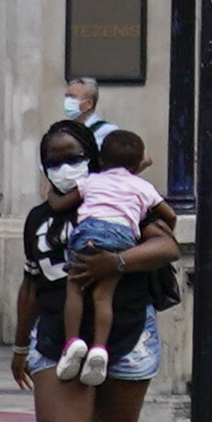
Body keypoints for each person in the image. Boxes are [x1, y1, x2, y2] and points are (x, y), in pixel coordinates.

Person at [9, 122, 156, 422]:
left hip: (124, 333)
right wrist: (18, 343)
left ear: (93, 158)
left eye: (74, 156)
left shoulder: (120, 196)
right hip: (59, 336)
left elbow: (167, 243)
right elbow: (31, 284)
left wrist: (115, 262)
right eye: (54, 160)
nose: (64, 168)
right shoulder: (40, 219)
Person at [50, 125, 166, 387]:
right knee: (104, 297)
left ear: (98, 161)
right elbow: (168, 215)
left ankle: (73, 342)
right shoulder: (141, 186)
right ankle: (99, 349)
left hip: (89, 234)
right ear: (138, 163)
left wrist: (50, 193)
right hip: (122, 239)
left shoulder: (92, 181)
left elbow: (59, 204)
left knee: (76, 288)